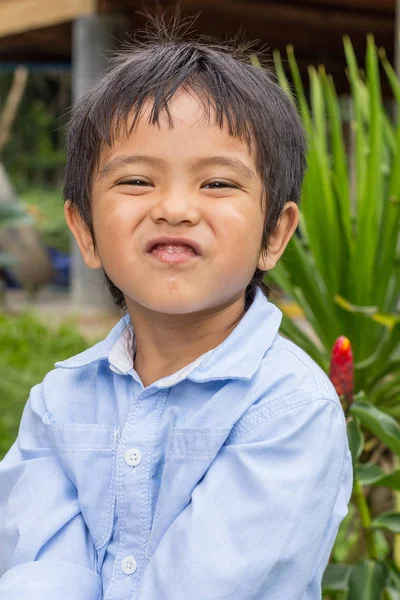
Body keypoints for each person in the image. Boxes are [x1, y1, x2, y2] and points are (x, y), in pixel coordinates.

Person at [0, 13, 353, 600]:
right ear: (84, 231)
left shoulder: (290, 410)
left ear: (275, 234)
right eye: (137, 181)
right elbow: (38, 574)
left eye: (217, 184)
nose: (175, 207)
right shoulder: (58, 404)